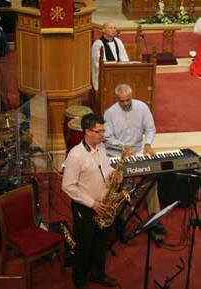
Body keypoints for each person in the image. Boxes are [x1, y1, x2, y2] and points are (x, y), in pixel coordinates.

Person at [62, 113, 121, 289]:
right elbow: (68, 186)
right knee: (84, 246)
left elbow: (106, 168)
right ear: (87, 132)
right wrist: (92, 204)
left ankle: (98, 274)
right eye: (99, 131)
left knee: (101, 242)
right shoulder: (75, 156)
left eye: (103, 130)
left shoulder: (101, 148)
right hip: (86, 208)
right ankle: (79, 281)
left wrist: (115, 174)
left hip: (103, 205)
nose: (103, 134)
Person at [103, 83, 166, 236]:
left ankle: (154, 219)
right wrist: (123, 147)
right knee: (120, 183)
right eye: (121, 101)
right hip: (117, 153)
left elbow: (150, 128)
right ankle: (121, 219)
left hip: (137, 151)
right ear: (116, 99)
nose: (125, 104)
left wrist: (148, 143)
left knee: (151, 179)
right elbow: (107, 137)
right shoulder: (109, 113)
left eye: (127, 100)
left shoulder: (142, 107)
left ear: (132, 96)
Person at [91, 22, 129, 91]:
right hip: (104, 74)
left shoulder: (118, 41)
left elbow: (124, 58)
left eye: (114, 28)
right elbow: (97, 63)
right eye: (110, 28)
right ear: (103, 30)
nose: (113, 30)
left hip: (119, 72)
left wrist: (121, 68)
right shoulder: (98, 44)